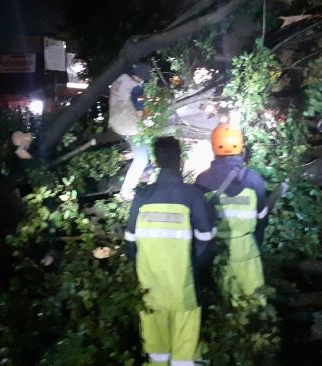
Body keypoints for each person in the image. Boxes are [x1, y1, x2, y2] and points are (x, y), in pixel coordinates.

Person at [125, 136, 217, 366]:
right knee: (184, 353)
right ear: (180, 160)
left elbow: (130, 242)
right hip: (183, 287)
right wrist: (194, 268)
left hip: (150, 287)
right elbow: (206, 239)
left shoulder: (142, 196)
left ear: (156, 161)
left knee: (156, 352)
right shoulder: (192, 195)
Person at [195, 123, 268, 305]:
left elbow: (199, 220)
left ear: (213, 146)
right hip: (246, 248)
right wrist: (255, 244)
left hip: (218, 251)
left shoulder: (203, 180)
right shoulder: (254, 180)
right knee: (254, 302)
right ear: (241, 146)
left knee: (224, 303)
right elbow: (262, 220)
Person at [109, 62, 152, 199]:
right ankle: (126, 191)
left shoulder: (119, 80)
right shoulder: (136, 88)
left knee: (144, 153)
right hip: (130, 126)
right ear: (139, 77)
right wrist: (147, 119)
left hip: (116, 123)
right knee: (141, 159)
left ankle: (144, 179)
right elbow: (140, 112)